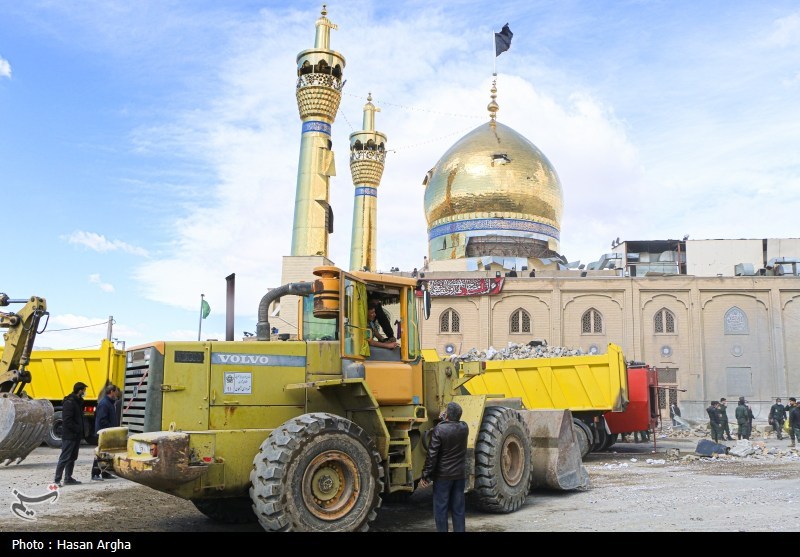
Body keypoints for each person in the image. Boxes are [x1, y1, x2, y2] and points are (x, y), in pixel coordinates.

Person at [419, 401, 469, 532]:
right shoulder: (464, 427)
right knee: (458, 509)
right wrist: (445, 419)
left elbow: (432, 456)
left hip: (443, 477)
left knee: (441, 510)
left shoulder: (439, 429)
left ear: (446, 415)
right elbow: (452, 425)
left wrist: (425, 475)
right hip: (459, 476)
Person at [54, 382, 87, 486]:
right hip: (69, 435)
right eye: (84, 390)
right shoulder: (70, 402)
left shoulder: (77, 402)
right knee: (64, 457)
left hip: (76, 436)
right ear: (80, 390)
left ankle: (68, 478)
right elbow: (67, 420)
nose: (85, 392)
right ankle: (57, 480)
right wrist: (77, 429)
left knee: (72, 457)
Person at [91, 384, 120, 481]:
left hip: (108, 433)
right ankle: (95, 474)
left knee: (107, 454)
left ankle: (105, 473)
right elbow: (102, 420)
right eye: (116, 391)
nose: (117, 394)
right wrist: (110, 429)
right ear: (112, 391)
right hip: (104, 434)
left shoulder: (110, 403)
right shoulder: (104, 404)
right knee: (100, 454)